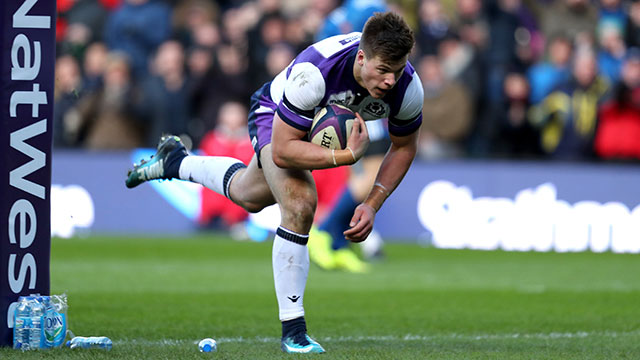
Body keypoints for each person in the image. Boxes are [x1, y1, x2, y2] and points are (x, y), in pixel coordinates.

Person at [125, 12, 423, 353]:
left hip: (318, 122)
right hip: (277, 112)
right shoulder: (316, 72)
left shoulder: (408, 88)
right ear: (361, 57)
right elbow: (282, 152)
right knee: (299, 203)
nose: (389, 81)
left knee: (249, 195)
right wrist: (344, 157)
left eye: (396, 71)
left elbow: (404, 147)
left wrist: (371, 204)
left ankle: (175, 161)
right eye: (382, 70)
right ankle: (293, 331)